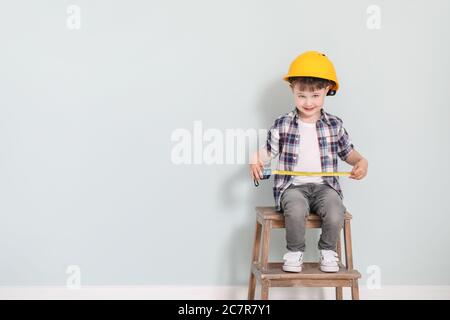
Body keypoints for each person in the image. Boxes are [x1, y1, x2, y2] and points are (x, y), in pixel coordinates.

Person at [250, 51, 368, 273]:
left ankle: (328, 251)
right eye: (301, 95)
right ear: (292, 90)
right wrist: (255, 160)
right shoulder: (283, 123)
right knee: (295, 209)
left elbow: (348, 153)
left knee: (336, 209)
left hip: (325, 187)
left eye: (315, 95)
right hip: (293, 187)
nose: (308, 102)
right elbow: (268, 151)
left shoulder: (334, 125)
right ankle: (294, 252)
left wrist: (361, 162)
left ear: (327, 91)